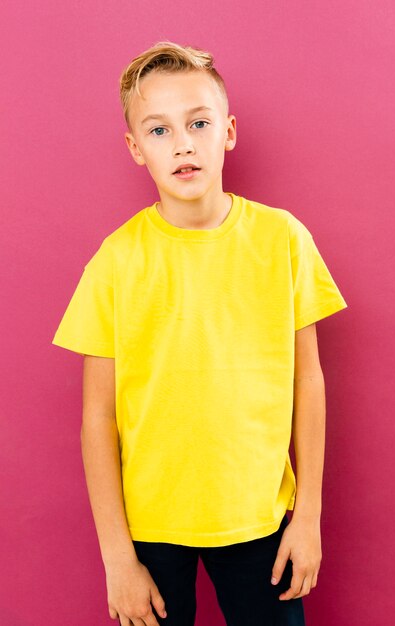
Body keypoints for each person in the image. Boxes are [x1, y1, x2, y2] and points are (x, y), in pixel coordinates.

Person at [51, 40, 348, 626]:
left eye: (199, 122)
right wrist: (117, 558)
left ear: (228, 131)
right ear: (136, 148)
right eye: (159, 130)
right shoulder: (116, 260)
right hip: (151, 528)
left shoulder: (282, 239)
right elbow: (96, 417)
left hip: (260, 517)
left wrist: (307, 514)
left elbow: (306, 378)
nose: (183, 142)